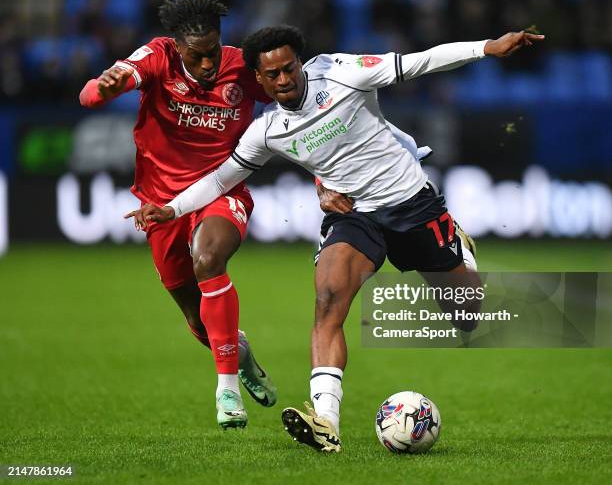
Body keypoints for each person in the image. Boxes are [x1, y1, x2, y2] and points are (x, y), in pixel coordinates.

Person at [126, 25, 543, 449]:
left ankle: (461, 250)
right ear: (259, 79)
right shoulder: (267, 129)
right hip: (354, 217)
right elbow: (222, 179)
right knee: (327, 301)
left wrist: (487, 47)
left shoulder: (345, 72)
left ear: (300, 63)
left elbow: (421, 62)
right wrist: (172, 208)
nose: (284, 80)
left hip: (411, 204)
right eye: (272, 76)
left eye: (289, 69)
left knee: (468, 314)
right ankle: (325, 421)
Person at [78, 0, 279, 429]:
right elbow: (89, 96)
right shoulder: (156, 56)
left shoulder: (242, 66)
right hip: (160, 205)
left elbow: (300, 112)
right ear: (177, 47)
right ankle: (239, 354)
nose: (208, 65)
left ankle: (226, 393)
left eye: (213, 53)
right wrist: (104, 86)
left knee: (209, 259)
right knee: (197, 318)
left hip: (222, 191)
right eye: (197, 57)